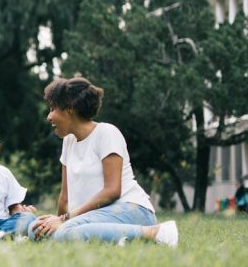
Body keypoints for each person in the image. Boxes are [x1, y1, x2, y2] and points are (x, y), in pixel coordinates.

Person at [29, 76, 179, 247]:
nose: (49, 117)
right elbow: (65, 197)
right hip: (93, 216)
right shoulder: (68, 142)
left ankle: (155, 232)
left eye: (52, 109)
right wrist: (56, 222)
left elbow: (112, 191)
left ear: (69, 108)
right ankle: (115, 239)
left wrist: (65, 221)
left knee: (65, 232)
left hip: (130, 209)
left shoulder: (106, 133)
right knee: (35, 230)